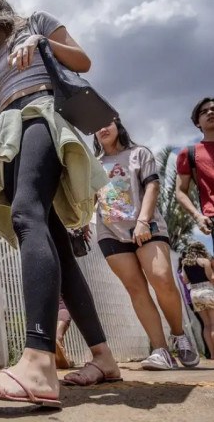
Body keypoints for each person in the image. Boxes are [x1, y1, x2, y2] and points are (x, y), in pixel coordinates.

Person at [0, 0, 119, 407]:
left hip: (43, 114)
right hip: (10, 129)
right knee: (58, 247)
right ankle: (103, 357)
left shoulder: (36, 22)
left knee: (26, 215)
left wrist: (44, 45)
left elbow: (82, 61)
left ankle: (38, 361)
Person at [94, 119, 199, 370]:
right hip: (109, 232)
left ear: (118, 126)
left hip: (146, 226)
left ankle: (179, 335)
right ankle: (161, 350)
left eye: (107, 122)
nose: (103, 128)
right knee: (136, 289)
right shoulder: (92, 165)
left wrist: (143, 220)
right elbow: (89, 199)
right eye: (97, 125)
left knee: (162, 278)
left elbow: (152, 185)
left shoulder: (138, 153)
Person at [176, 97, 214, 244]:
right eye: (204, 112)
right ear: (197, 122)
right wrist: (197, 216)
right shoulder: (189, 153)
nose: (210, 112)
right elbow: (180, 191)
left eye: (213, 109)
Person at [180, 241, 214, 359]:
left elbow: (185, 281)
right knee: (213, 324)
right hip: (207, 291)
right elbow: (211, 278)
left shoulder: (185, 264)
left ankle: (212, 354)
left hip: (194, 293)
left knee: (206, 325)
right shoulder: (205, 261)